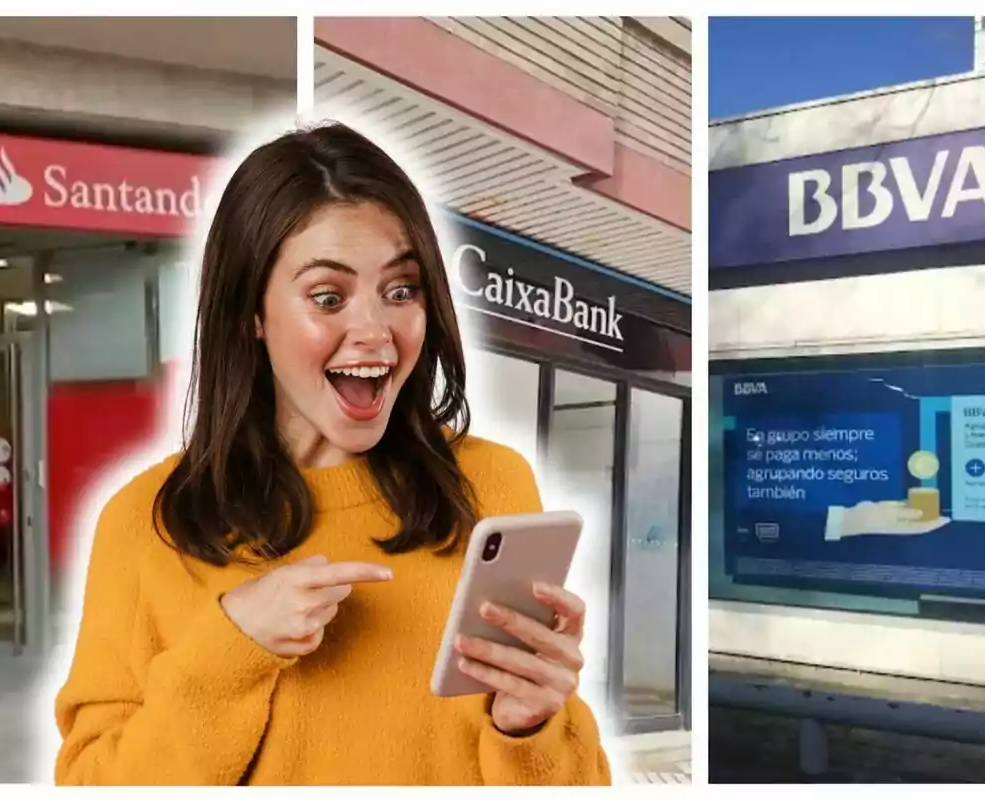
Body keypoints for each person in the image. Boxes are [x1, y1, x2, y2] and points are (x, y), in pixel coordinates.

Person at [53, 121, 612, 786]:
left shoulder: (491, 486)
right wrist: (231, 650)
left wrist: (531, 725)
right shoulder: (147, 521)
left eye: (401, 290)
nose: (375, 330)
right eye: (328, 296)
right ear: (249, 314)